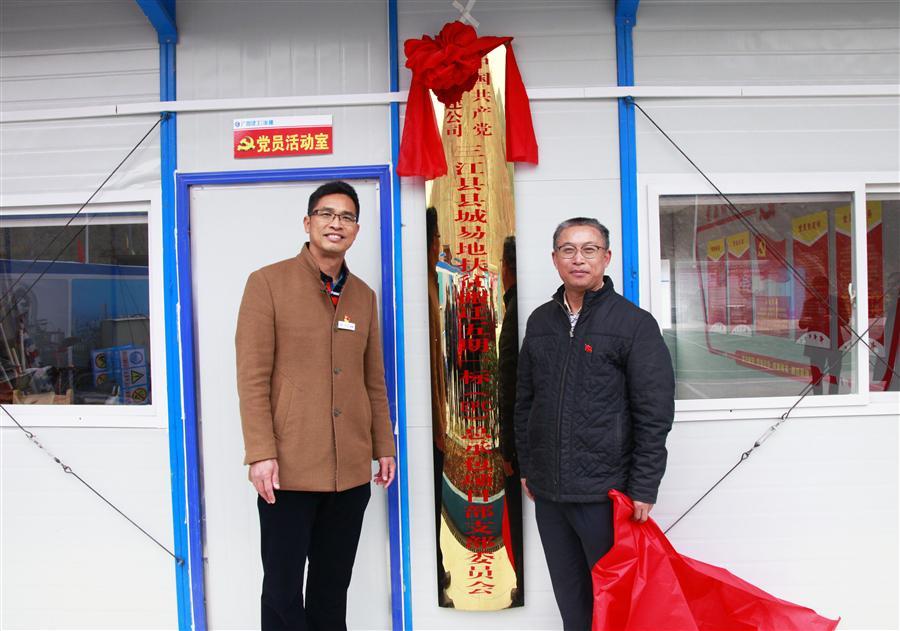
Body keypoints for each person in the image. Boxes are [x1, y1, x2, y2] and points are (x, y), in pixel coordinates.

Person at [235, 180, 397, 631]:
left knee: (331, 587)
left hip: (349, 471)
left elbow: (373, 380)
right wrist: (260, 452)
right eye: (326, 214)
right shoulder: (267, 283)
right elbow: (252, 377)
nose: (336, 224)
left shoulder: (362, 295)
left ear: (356, 230)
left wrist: (383, 446)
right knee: (282, 589)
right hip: (287, 467)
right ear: (308, 223)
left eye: (346, 217)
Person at [514, 217, 675, 630]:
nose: (578, 259)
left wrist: (643, 486)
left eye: (589, 249)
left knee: (615, 603)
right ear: (555, 259)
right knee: (573, 603)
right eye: (568, 250)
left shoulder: (633, 324)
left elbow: (654, 412)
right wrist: (528, 467)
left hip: (606, 494)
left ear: (607, 257)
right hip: (550, 495)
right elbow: (525, 401)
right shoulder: (540, 322)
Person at [425, 206, 452, 606]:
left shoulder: (434, 281)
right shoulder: (423, 284)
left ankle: (439, 564)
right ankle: (436, 567)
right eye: (437, 240)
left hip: (437, 412)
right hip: (427, 416)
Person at [497, 235, 524, 606]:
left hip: (518, 446)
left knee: (516, 517)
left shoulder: (515, 311)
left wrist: (507, 447)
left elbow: (508, 384)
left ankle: (520, 581)